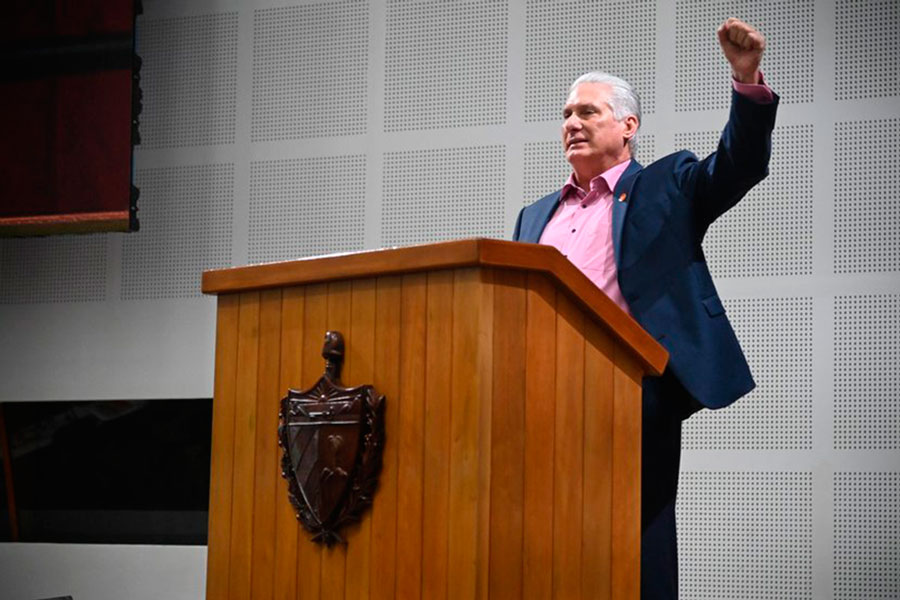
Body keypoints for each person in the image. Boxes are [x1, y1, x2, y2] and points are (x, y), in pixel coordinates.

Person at [512, 18, 778, 600]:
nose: (572, 123)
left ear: (628, 126)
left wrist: (746, 80)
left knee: (639, 543)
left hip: (633, 392)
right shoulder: (534, 218)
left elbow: (737, 164)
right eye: (565, 114)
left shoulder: (666, 184)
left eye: (588, 112)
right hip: (542, 400)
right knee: (546, 542)